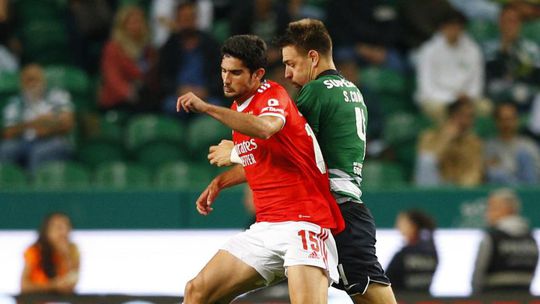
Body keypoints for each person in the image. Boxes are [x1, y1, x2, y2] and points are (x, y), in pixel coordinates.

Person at [208, 19, 397, 304]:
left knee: (373, 297)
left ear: (313, 57)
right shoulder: (353, 91)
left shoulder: (315, 92)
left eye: (292, 64)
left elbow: (290, 154)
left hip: (334, 209)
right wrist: (224, 180)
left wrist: (235, 151)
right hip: (346, 204)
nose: (288, 74)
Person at [177, 34, 345, 304]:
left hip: (304, 222)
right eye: (223, 71)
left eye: (235, 72)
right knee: (197, 291)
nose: (226, 79)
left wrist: (207, 108)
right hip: (266, 227)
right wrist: (221, 182)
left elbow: (266, 128)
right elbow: (263, 162)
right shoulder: (238, 111)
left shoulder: (272, 95)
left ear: (258, 75)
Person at [0, 64, 75, 175]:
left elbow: (67, 123)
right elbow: (8, 132)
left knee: (38, 153)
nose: (33, 84)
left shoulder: (57, 96)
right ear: (21, 83)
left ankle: (32, 190)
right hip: (23, 141)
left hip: (53, 140)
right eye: (28, 80)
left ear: (43, 81)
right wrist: (36, 123)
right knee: (6, 149)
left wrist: (47, 128)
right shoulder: (15, 103)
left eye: (36, 79)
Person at [415, 9, 486, 124]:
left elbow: (477, 83)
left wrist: (468, 96)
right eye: (451, 26)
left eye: (458, 27)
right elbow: (426, 88)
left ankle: (472, 141)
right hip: (438, 98)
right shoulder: (428, 50)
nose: (454, 30)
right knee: (437, 109)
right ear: (442, 28)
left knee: (485, 107)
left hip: (465, 98)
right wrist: (451, 98)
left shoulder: (473, 50)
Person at [471, 188, 539, 294]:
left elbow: (478, 276)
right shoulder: (531, 239)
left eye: (492, 208)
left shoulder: (492, 238)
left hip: (493, 298)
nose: (487, 214)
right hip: (525, 298)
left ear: (507, 210)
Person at [98, 5, 158, 112]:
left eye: (139, 22)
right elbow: (112, 78)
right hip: (118, 98)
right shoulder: (113, 48)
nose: (137, 26)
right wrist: (129, 93)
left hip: (143, 95)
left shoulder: (148, 48)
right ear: (122, 26)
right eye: (132, 22)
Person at [414, 97, 484, 187]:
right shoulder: (429, 136)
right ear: (452, 116)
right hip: (435, 185)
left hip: (461, 187)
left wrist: (462, 189)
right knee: (426, 159)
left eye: (471, 117)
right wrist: (445, 139)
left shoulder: (473, 141)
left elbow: (475, 170)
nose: (468, 121)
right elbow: (428, 165)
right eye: (464, 116)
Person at [20, 212, 80, 294]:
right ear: (47, 231)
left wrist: (66, 257)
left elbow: (71, 283)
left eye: (67, 227)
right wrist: (53, 285)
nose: (63, 233)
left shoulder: (72, 250)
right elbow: (24, 286)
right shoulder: (35, 251)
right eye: (59, 228)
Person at [485, 102, 540, 185]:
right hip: (501, 191)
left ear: (516, 120)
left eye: (510, 119)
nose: (506, 124)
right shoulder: (488, 146)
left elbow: (535, 173)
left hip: (529, 189)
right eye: (502, 119)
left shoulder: (529, 145)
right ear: (496, 121)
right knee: (495, 173)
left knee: (524, 156)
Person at [385, 210, 438, 293]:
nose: (397, 227)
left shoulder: (403, 255)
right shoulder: (432, 252)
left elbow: (386, 283)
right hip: (422, 299)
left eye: (402, 223)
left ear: (413, 225)